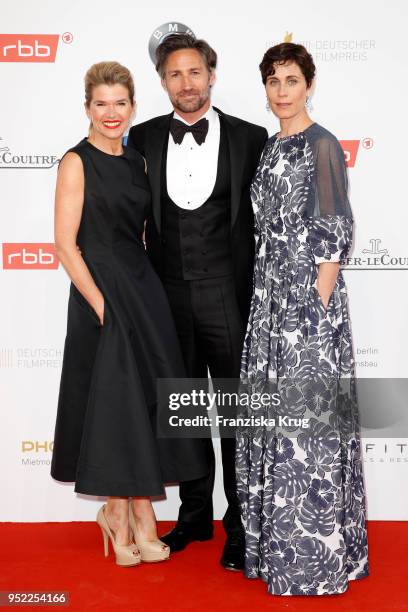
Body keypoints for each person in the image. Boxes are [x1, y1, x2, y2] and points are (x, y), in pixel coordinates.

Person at [50, 61, 209, 567]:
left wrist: (140, 297)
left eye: (121, 103)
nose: (112, 113)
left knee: (143, 400)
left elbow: (141, 235)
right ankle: (124, 517)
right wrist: (102, 307)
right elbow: (65, 245)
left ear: (133, 107)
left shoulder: (138, 161)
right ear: (87, 109)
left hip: (142, 288)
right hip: (99, 293)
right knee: (112, 404)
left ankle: (137, 511)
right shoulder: (76, 162)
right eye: (102, 104)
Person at [127, 34, 267, 570]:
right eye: (174, 75)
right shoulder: (139, 139)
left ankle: (239, 524)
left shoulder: (252, 138)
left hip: (231, 297)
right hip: (166, 299)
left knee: (235, 417)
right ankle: (191, 517)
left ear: (212, 75)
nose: (186, 83)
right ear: (162, 83)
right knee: (182, 415)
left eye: (195, 72)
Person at [235, 43, 369, 595]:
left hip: (306, 307)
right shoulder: (271, 148)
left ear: (309, 84)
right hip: (269, 298)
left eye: (291, 79)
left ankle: (313, 562)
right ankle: (274, 552)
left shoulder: (323, 146)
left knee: (306, 429)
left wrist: (312, 318)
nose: (282, 90)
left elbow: (334, 237)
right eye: (273, 81)